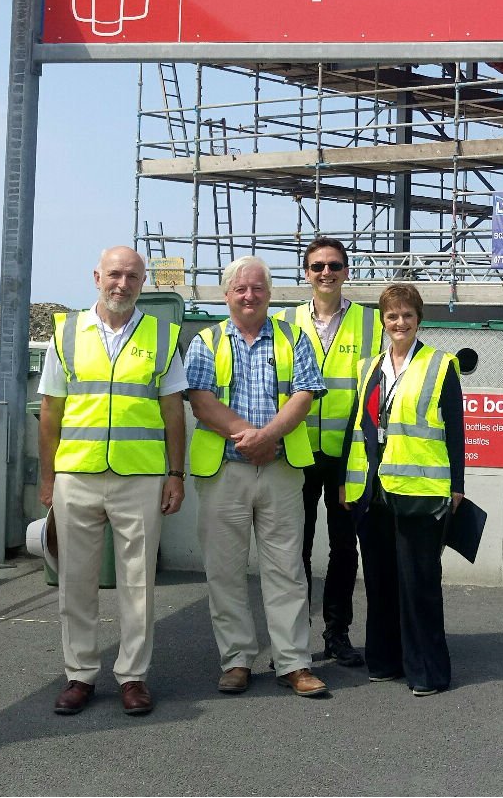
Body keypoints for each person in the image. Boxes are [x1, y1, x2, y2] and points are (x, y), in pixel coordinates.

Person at [38, 245, 187, 717]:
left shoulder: (163, 336)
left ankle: (133, 676)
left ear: (144, 283)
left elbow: (172, 413)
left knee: (138, 583)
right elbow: (50, 412)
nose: (122, 284)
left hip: (140, 476)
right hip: (77, 475)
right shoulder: (66, 333)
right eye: (114, 275)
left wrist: (175, 474)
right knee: (75, 582)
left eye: (133, 277)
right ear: (96, 276)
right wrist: (48, 479)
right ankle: (79, 674)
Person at [185, 255, 329, 697]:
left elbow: (305, 395)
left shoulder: (293, 337)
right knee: (224, 571)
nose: (250, 296)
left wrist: (268, 437)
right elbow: (200, 400)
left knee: (286, 569)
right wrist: (248, 437)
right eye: (240, 289)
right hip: (225, 470)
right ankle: (236, 661)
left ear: (269, 292)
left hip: (281, 469)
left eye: (258, 288)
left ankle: (293, 663)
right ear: (227, 294)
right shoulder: (206, 342)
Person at [340, 284, 465, 696]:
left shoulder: (440, 364)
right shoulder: (368, 368)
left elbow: (455, 431)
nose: (400, 322)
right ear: (383, 321)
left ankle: (427, 672)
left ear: (419, 320)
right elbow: (356, 428)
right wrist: (346, 481)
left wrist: (457, 487)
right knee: (379, 580)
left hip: (419, 488)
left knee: (419, 582)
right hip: (371, 489)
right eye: (392, 316)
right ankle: (385, 660)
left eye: (407, 315)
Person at [275, 237, 383, 668]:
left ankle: (337, 634)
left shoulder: (371, 323)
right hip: (297, 450)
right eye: (317, 266)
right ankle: (292, 639)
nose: (326, 273)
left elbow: (379, 389)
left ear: (346, 271)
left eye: (334, 265)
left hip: (345, 454)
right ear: (306, 272)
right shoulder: (283, 321)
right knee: (293, 547)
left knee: (343, 546)